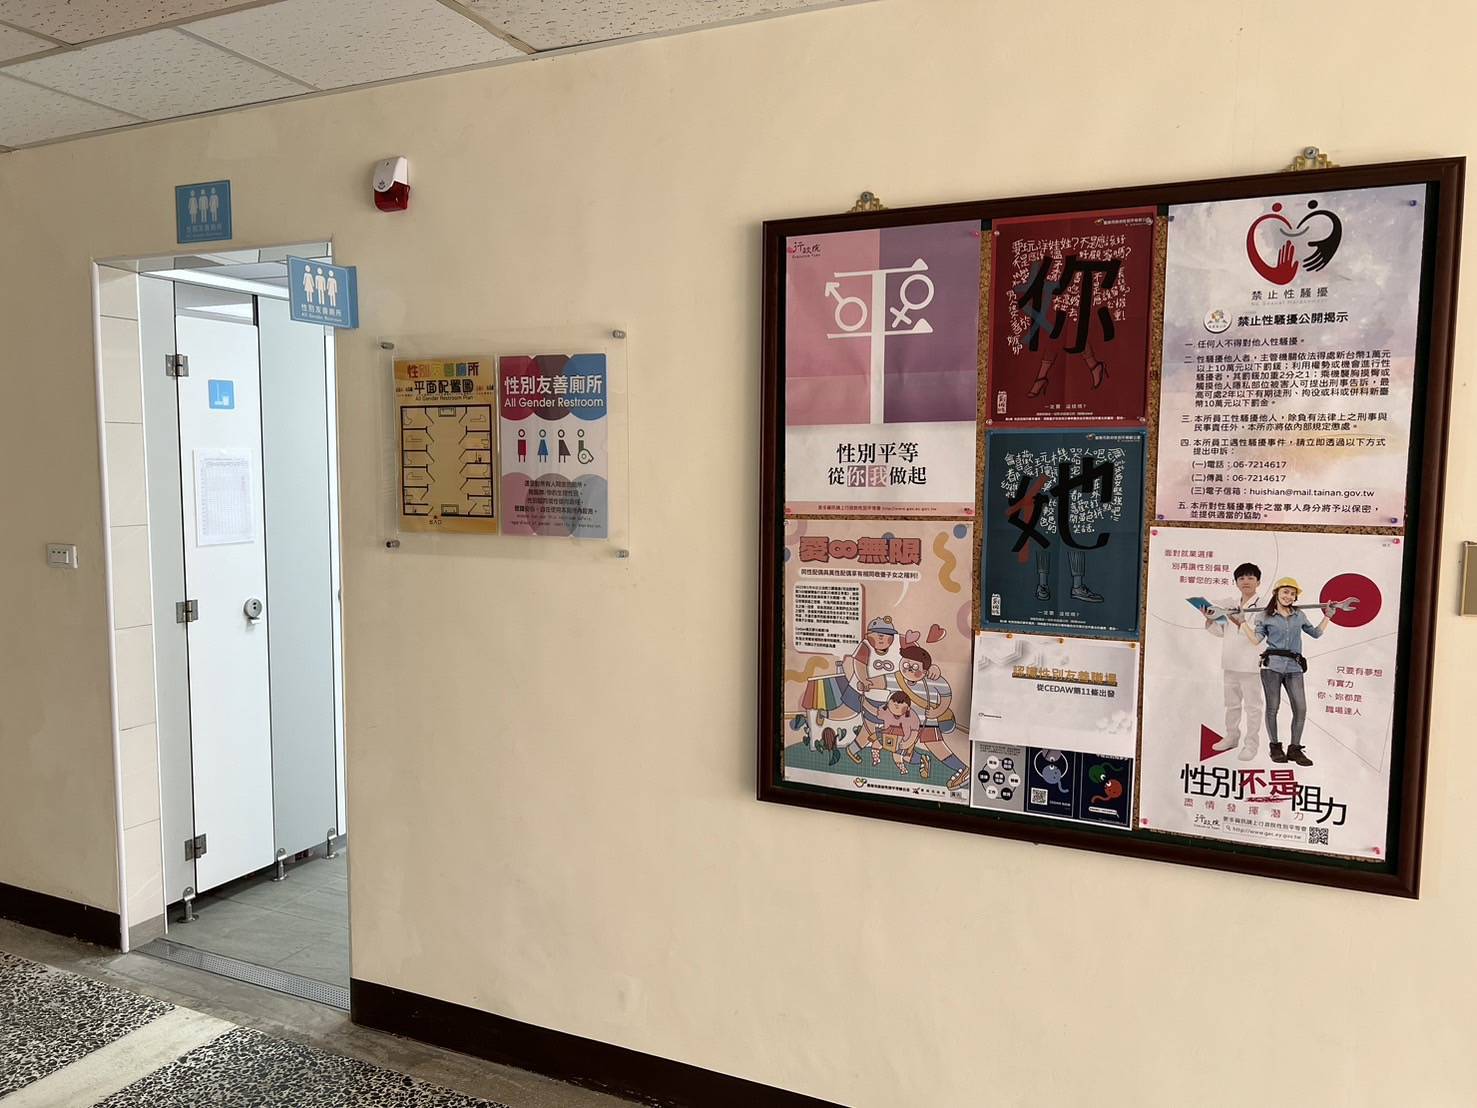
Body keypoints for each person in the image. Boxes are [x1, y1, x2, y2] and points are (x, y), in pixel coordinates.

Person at [1240, 577, 1333, 766]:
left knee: (1301, 709)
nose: (1289, 596)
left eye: (1292, 594)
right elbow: (1256, 640)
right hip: (1272, 666)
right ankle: (1275, 747)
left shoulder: (1299, 615)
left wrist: (1328, 616)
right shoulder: (1264, 616)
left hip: (1294, 667)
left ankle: (1295, 749)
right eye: (1285, 592)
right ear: (1276, 593)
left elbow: (1315, 633)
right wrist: (1242, 622)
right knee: (1273, 708)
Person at [1205, 562, 1264, 760]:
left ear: (1258, 582)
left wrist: (1241, 622)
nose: (1246, 581)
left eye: (1250, 578)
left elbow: (1260, 635)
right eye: (1241, 578)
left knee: (1253, 707)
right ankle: (1231, 736)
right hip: (1230, 662)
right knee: (1231, 704)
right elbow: (1221, 631)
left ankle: (1251, 744)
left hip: (1251, 664)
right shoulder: (1229, 605)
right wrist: (1210, 618)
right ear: (1236, 582)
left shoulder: (1264, 606)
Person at [896, 640, 971, 790]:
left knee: (936, 747)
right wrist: (868, 683)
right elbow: (880, 681)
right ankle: (922, 760)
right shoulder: (897, 677)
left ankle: (963, 769)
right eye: (906, 664)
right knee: (899, 750)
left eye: (915, 667)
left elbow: (946, 694)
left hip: (927, 723)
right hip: (906, 723)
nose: (909, 669)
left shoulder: (932, 680)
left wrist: (938, 711)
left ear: (925, 670)